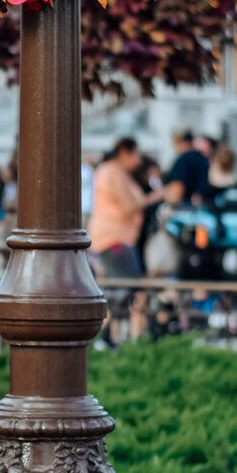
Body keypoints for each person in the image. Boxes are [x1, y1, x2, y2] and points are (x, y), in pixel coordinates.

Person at [88, 137, 162, 342]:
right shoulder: (112, 172)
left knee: (124, 289)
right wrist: (159, 195)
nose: (138, 161)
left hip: (119, 239)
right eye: (136, 155)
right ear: (124, 152)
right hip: (113, 239)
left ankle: (111, 336)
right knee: (126, 288)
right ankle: (105, 336)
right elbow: (128, 206)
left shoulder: (116, 172)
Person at [163, 129, 210, 206]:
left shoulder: (183, 160)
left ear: (180, 142)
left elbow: (176, 190)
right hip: (202, 206)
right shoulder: (202, 158)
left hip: (186, 209)